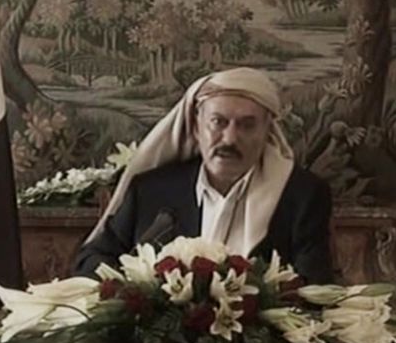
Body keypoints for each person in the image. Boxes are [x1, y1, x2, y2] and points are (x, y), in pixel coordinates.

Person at [74, 67, 334, 284]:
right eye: (218, 122)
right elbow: (91, 260)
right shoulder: (150, 190)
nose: (230, 139)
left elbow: (314, 284)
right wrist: (137, 293)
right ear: (197, 127)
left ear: (267, 131)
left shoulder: (302, 195)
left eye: (247, 125)